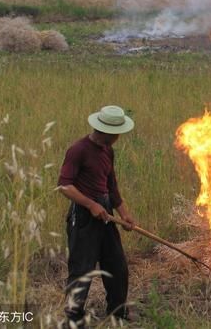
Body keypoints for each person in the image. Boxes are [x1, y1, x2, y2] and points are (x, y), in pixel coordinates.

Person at [57, 105, 136, 326]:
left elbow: (112, 187)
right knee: (82, 269)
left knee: (117, 265)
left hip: (106, 215)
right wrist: (91, 204)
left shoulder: (108, 151)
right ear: (107, 131)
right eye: (117, 133)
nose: (119, 137)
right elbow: (64, 186)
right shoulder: (78, 150)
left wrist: (125, 215)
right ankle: (73, 317)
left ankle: (117, 310)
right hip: (83, 218)